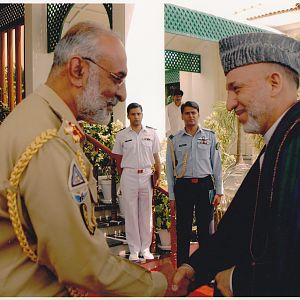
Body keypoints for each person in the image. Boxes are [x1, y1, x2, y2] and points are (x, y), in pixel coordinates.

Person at [0, 21, 189, 297]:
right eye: (117, 78)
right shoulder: (48, 140)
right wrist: (160, 285)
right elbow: (82, 262)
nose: (123, 94)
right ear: (78, 70)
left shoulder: (42, 120)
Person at [172, 32, 300, 296]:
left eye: (236, 88)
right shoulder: (281, 140)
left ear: (274, 83)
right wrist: (196, 267)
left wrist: (238, 281)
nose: (229, 104)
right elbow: (242, 223)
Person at [166, 101, 223, 267]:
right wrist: (171, 195)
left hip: (205, 186)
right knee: (183, 228)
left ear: (198, 114)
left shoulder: (210, 136)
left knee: (206, 229)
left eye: (194, 113)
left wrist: (218, 191)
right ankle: (183, 266)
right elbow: (169, 169)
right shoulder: (174, 139)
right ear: (182, 116)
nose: (191, 116)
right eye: (187, 113)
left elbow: (217, 165)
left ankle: (206, 266)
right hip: (183, 186)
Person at [112, 102, 161, 261]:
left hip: (147, 175)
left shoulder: (151, 134)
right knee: (131, 213)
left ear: (142, 114)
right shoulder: (122, 135)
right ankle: (133, 250)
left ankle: (145, 249)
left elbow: (156, 158)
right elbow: (118, 159)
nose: (136, 117)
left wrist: (158, 175)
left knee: (146, 213)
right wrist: (123, 176)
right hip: (129, 175)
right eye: (133, 114)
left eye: (139, 114)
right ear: (128, 116)